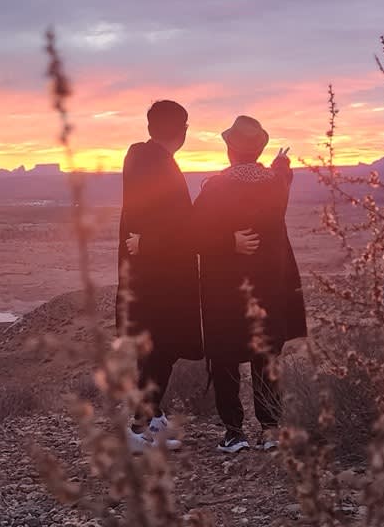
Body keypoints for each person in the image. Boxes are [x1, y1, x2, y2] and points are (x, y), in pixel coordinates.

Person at [118, 100, 259, 453]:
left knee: (157, 348)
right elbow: (181, 228)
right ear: (182, 130)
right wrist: (228, 241)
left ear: (150, 128)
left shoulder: (140, 158)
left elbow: (155, 222)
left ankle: (151, 418)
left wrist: (147, 242)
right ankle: (139, 428)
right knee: (160, 348)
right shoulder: (162, 168)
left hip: (146, 273)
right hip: (162, 277)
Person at [191, 115, 307, 453]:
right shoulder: (275, 185)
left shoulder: (215, 188)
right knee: (265, 354)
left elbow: (192, 235)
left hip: (225, 290)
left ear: (229, 149)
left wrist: (228, 242)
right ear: (259, 150)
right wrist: (280, 164)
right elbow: (282, 177)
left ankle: (234, 432)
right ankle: (270, 429)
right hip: (269, 286)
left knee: (225, 356)